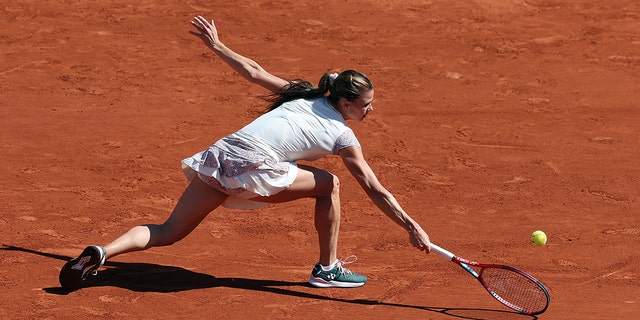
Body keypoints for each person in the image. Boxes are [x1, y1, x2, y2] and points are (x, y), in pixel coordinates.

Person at [59, 15, 431, 291]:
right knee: (329, 183)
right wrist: (410, 225)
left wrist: (218, 46)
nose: (370, 110)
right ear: (347, 103)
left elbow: (254, 71)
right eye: (365, 105)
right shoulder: (340, 133)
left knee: (168, 231)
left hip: (222, 156)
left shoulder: (305, 95)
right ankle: (327, 269)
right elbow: (372, 185)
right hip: (254, 167)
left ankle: (103, 252)